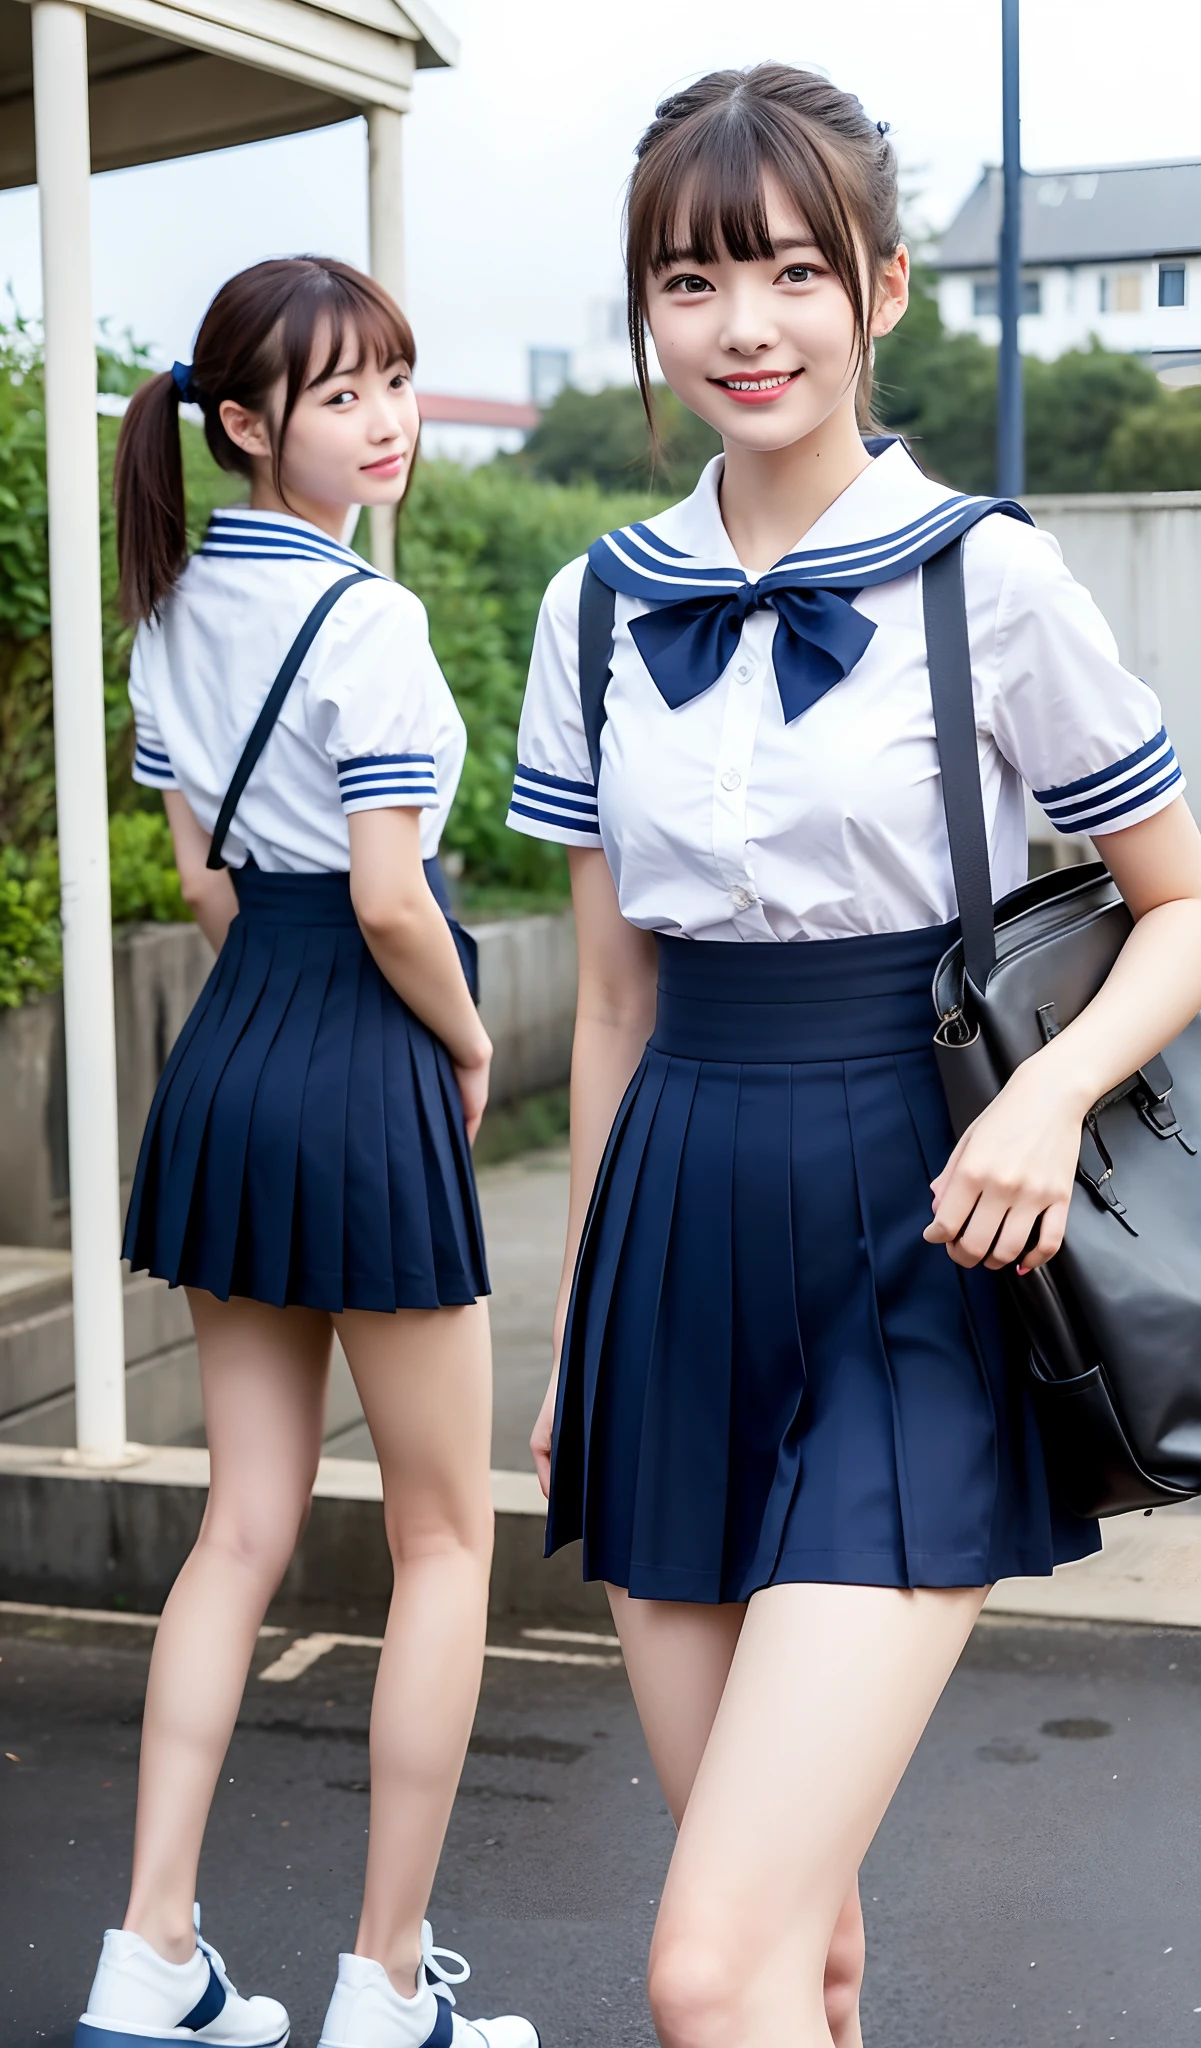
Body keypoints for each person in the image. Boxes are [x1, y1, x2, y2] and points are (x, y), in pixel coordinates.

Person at [512, 66, 1201, 2048]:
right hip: (671, 1249)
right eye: (687, 277)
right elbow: (609, 1003)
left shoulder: (982, 578)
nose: (739, 324)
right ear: (643, 310)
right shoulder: (593, 610)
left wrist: (1043, 1084)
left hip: (914, 1249)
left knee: (700, 1968)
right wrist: (576, 1324)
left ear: (880, 288)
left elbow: (1187, 907)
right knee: (798, 1947)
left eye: (783, 269)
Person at [76, 257, 537, 2048]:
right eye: (345, 395)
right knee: (440, 1541)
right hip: (362, 1055)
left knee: (239, 1530)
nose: (389, 420)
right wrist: (475, 1036)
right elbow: (388, 896)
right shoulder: (376, 626)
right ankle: (384, 1986)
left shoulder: (171, 607)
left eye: (398, 382)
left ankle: (150, 1956)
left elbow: (205, 882)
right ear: (249, 425)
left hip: (228, 1060)